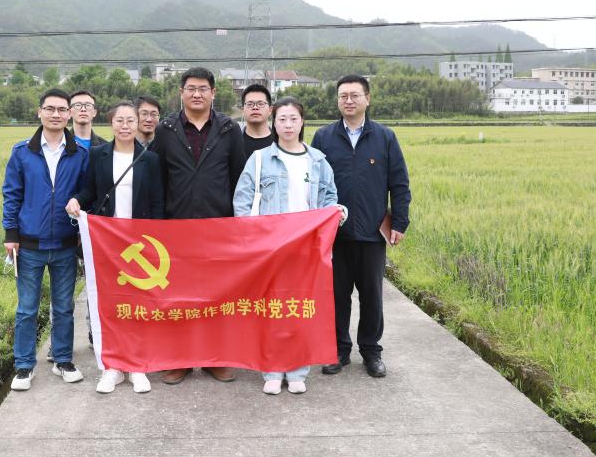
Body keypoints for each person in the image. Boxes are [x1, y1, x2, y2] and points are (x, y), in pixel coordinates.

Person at [233, 97, 342, 395]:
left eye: (294, 119)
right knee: (271, 308)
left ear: (302, 122)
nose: (288, 125)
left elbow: (329, 198)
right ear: (274, 122)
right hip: (270, 249)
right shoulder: (259, 160)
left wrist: (334, 215)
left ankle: (297, 370)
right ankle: (271, 369)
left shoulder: (317, 161)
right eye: (282, 119)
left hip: (306, 249)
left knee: (300, 310)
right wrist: (254, 240)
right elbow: (242, 202)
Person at [311, 75, 411, 379]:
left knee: (371, 297)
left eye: (355, 95)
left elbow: (399, 182)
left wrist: (400, 222)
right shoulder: (324, 137)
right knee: (336, 296)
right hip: (335, 235)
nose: (349, 101)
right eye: (343, 96)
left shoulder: (385, 137)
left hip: (371, 233)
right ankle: (338, 350)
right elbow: (312, 183)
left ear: (367, 99)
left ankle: (371, 351)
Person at [152, 67, 247, 384]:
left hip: (218, 228)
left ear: (213, 93)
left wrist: (236, 225)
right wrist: (159, 224)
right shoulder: (166, 130)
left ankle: (214, 358)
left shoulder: (229, 129)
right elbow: (158, 179)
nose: (196, 94)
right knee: (178, 297)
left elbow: (239, 179)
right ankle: (180, 360)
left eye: (203, 88)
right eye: (191, 88)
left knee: (216, 296)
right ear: (181, 93)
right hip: (176, 229)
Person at [65, 101, 165, 394]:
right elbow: (90, 190)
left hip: (138, 243)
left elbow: (157, 203)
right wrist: (76, 200)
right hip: (107, 243)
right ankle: (112, 367)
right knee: (110, 304)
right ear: (111, 123)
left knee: (138, 305)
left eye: (130, 120)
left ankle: (137, 366)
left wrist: (154, 241)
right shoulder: (98, 154)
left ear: (138, 124)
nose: (125, 125)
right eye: (119, 120)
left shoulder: (150, 159)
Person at [2, 88, 90, 391]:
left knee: (64, 307)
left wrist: (79, 204)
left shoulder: (79, 154)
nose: (56, 114)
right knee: (27, 308)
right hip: (29, 245)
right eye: (50, 109)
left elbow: (86, 192)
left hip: (65, 244)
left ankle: (63, 359)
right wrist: (10, 234)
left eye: (62, 109)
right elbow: (12, 194)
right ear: (39, 112)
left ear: (69, 114)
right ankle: (24, 365)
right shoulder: (22, 152)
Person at [240, 83, 275, 156]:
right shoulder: (234, 142)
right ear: (243, 110)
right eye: (250, 104)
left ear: (270, 110)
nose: (255, 107)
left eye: (260, 104)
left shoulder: (280, 143)